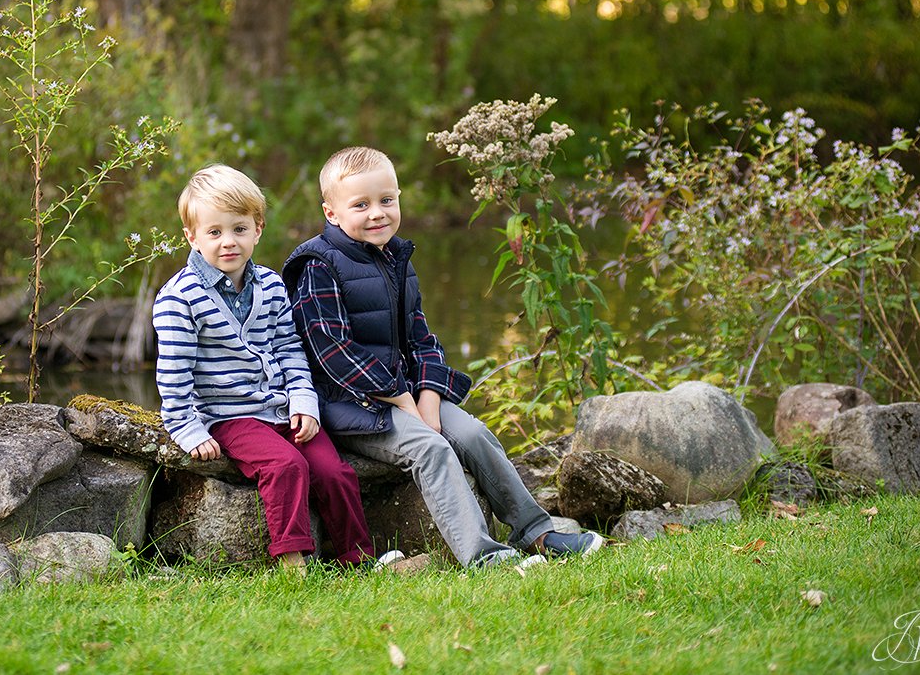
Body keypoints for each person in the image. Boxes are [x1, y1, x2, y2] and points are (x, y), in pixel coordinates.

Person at [283, 147, 605, 569]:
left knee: (471, 433)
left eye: (387, 200)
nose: (377, 213)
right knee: (430, 447)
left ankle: (538, 531)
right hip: (348, 405)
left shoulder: (396, 257)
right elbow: (332, 352)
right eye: (360, 205)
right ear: (331, 212)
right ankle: (485, 558)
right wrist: (402, 399)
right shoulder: (318, 265)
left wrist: (430, 395)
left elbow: (422, 336)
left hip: (406, 396)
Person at [154, 164, 410, 571]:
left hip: (280, 408)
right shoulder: (178, 299)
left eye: (239, 229)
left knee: (334, 472)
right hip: (230, 417)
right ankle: (293, 561)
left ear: (257, 229)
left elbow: (290, 349)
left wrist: (304, 402)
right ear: (192, 236)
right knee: (285, 466)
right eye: (214, 232)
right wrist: (188, 428)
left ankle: (357, 559)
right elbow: (173, 373)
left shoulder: (271, 285)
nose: (228, 243)